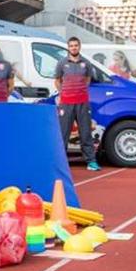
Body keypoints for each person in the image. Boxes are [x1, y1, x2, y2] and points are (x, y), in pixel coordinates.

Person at [54, 37, 99, 171]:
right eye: (71, 46)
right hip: (66, 103)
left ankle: (91, 161)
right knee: (63, 134)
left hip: (82, 103)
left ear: (79, 47)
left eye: (76, 45)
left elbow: (88, 80)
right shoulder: (62, 63)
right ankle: (61, 163)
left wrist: (79, 92)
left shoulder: (86, 63)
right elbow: (57, 81)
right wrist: (64, 93)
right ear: (68, 48)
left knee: (85, 133)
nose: (73, 48)